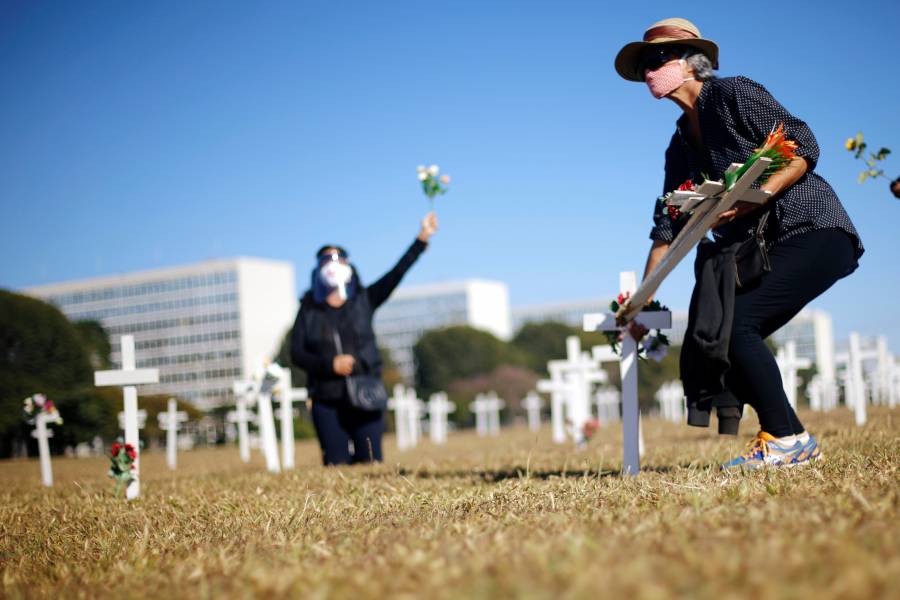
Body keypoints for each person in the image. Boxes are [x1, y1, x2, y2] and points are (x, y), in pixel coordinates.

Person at [614, 18, 864, 469]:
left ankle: (786, 440)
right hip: (756, 252)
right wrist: (637, 306)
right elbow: (668, 228)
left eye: (660, 58)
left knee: (735, 325)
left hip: (812, 230)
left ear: (693, 62)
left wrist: (759, 196)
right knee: (713, 339)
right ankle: (794, 439)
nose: (651, 70)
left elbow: (800, 144)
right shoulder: (678, 146)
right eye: (645, 63)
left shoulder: (733, 94)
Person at [290, 213, 438, 465]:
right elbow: (297, 352)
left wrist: (421, 240)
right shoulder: (308, 310)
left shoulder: (364, 300)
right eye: (326, 259)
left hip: (366, 394)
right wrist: (329, 365)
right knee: (336, 465)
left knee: (371, 463)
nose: (333, 265)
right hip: (327, 398)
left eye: (338, 258)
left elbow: (396, 273)